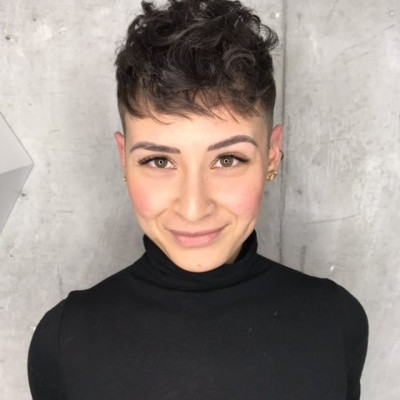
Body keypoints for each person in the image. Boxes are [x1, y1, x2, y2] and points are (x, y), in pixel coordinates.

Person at [27, 0, 368, 399]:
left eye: (227, 159)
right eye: (159, 161)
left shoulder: (337, 322)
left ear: (272, 155)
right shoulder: (62, 342)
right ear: (124, 159)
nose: (193, 208)